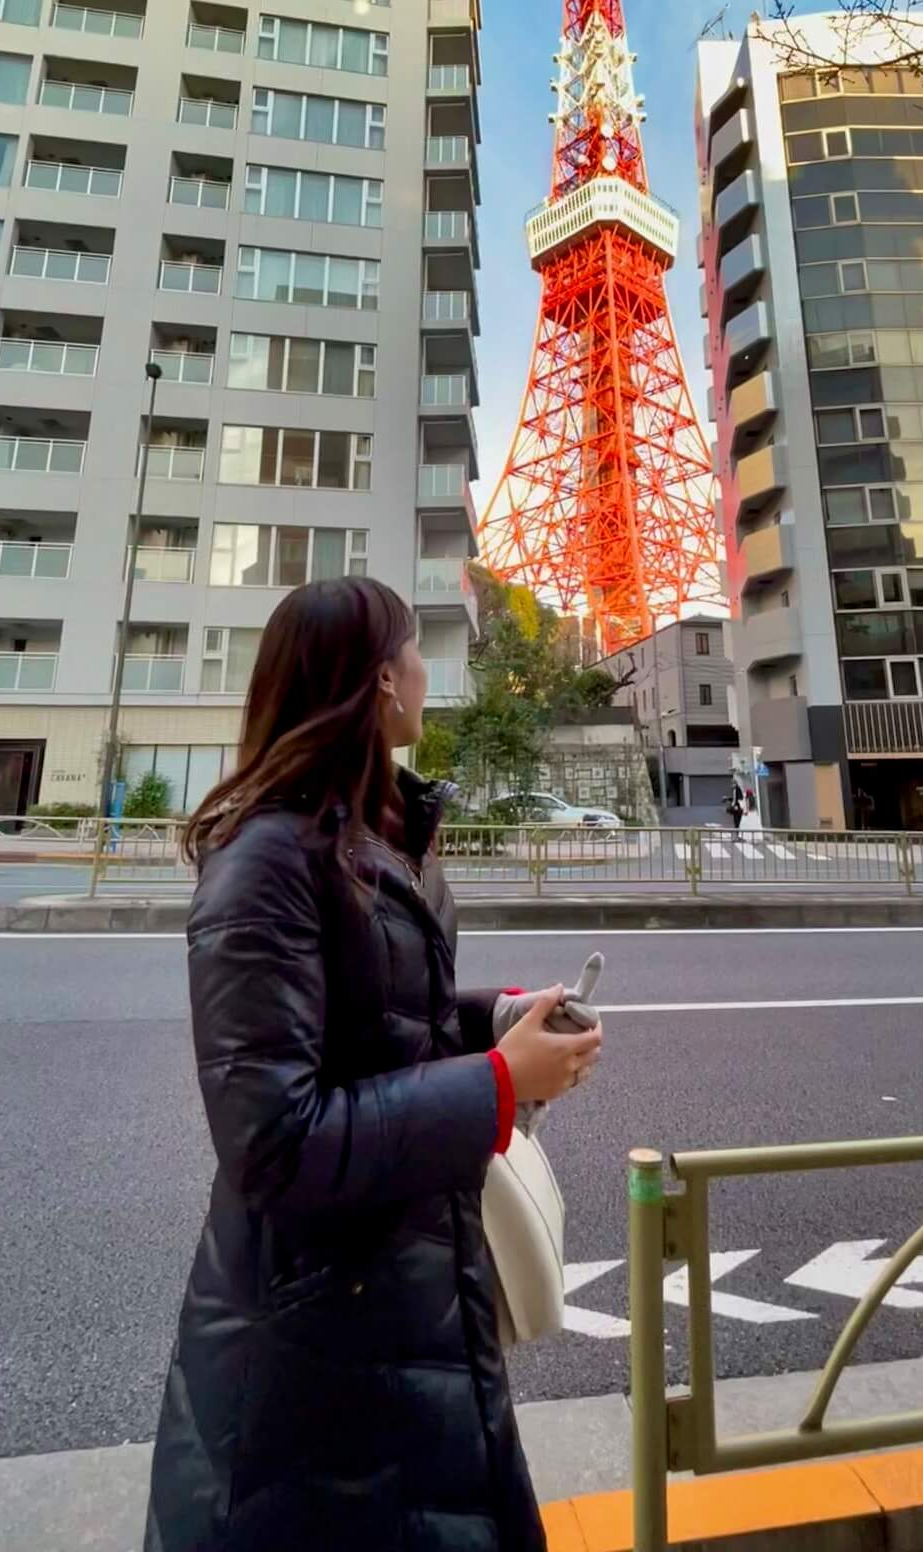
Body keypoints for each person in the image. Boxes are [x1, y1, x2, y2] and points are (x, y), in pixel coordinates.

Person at [145, 578, 602, 1552]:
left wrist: (498, 1020)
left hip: (402, 1298)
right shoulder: (267, 862)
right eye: (415, 650)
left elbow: (382, 1022)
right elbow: (273, 1141)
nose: (429, 673)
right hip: (315, 1340)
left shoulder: (367, 835)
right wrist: (499, 1084)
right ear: (378, 680)